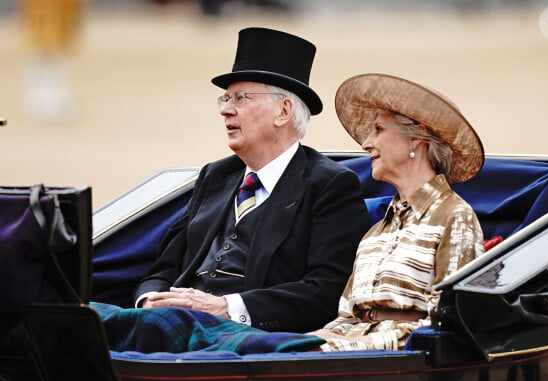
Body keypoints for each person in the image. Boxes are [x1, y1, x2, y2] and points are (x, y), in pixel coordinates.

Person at [132, 27, 370, 333]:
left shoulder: (330, 185)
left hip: (249, 340)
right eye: (225, 99)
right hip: (172, 324)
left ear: (283, 111)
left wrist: (227, 308)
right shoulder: (215, 175)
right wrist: (151, 302)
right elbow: (163, 268)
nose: (226, 110)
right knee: (79, 320)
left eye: (241, 98)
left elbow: (327, 290)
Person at [308, 73, 485, 351]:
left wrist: (361, 343)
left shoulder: (455, 217)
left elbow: (450, 324)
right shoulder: (375, 232)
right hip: (354, 358)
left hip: (402, 364)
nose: (366, 143)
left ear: (418, 137)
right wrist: (313, 339)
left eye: (378, 129)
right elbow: (346, 318)